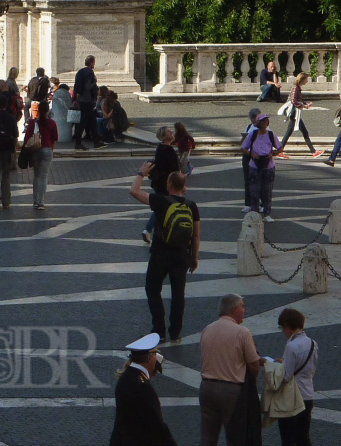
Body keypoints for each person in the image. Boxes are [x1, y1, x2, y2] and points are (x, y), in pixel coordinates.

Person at [131, 167, 200, 343]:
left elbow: (134, 191)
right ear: (183, 186)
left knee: (152, 288)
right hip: (181, 255)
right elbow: (196, 235)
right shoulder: (192, 205)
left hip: (160, 253)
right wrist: (194, 258)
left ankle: (159, 329)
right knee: (178, 294)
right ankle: (175, 331)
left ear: (169, 184)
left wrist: (141, 173)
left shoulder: (160, 201)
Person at [199, 294, 261, 446]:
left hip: (206, 388)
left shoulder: (207, 329)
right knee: (235, 436)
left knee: (208, 437)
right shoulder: (242, 332)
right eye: (242, 306)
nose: (244, 310)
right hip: (231, 391)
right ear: (234, 310)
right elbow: (254, 366)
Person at [108, 332, 178, 446]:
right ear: (150, 358)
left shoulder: (126, 377)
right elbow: (157, 426)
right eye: (155, 355)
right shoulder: (143, 387)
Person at [275, 308, 318, 446]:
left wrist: (276, 368)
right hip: (307, 394)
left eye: (282, 327)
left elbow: (286, 376)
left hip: (291, 398)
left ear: (287, 327)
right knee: (303, 437)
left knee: (288, 439)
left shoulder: (291, 346)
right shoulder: (313, 343)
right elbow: (311, 368)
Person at [143, 126, 180, 244]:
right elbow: (173, 169)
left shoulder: (160, 148)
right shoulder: (168, 150)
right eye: (169, 132)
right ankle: (150, 230)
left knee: (162, 206)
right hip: (166, 184)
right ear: (164, 136)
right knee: (163, 207)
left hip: (159, 183)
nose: (171, 132)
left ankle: (151, 230)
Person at [241, 113, 282, 221]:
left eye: (266, 121)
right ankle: (255, 213)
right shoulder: (253, 135)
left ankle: (267, 213)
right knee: (254, 190)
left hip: (268, 165)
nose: (265, 122)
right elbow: (243, 147)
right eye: (263, 121)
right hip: (255, 164)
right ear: (258, 123)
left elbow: (280, 148)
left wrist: (272, 154)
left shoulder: (271, 135)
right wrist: (251, 154)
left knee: (267, 190)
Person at [23, 99, 57, 210]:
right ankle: (41, 202)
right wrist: (52, 150)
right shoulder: (52, 123)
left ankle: (35, 200)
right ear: (48, 111)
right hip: (47, 150)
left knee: (36, 176)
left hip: (36, 151)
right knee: (44, 177)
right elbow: (54, 139)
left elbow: (27, 138)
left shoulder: (33, 122)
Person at [282, 73, 320, 158]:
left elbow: (297, 100)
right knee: (304, 132)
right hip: (294, 113)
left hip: (296, 112)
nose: (307, 81)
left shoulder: (298, 88)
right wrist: (304, 105)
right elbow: (293, 101)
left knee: (289, 132)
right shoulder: (295, 88)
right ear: (302, 79)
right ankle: (313, 152)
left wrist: (306, 103)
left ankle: (279, 150)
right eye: (306, 79)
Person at [72, 55, 102, 150]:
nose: (94, 64)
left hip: (81, 99)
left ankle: (96, 142)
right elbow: (88, 87)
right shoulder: (89, 72)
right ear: (92, 62)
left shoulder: (80, 72)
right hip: (87, 100)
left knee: (92, 121)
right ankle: (78, 143)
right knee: (83, 122)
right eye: (94, 62)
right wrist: (95, 82)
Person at [241, 108, 261, 215]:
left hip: (258, 156)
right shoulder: (249, 127)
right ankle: (248, 204)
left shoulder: (264, 128)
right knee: (248, 180)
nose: (253, 120)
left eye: (254, 118)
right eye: (251, 118)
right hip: (248, 155)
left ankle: (261, 204)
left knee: (260, 180)